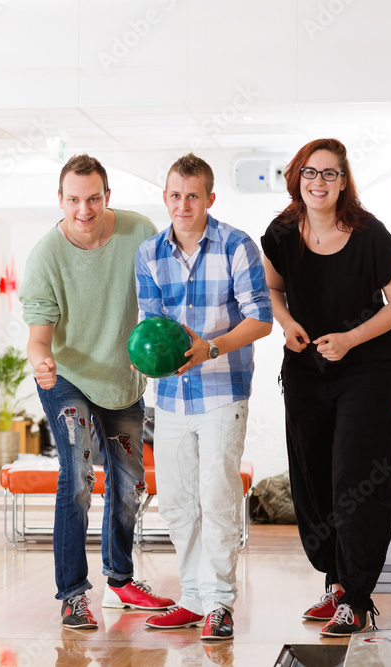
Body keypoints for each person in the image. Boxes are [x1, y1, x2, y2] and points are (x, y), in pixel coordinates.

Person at [261, 138, 391, 637]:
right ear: (296, 178)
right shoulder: (282, 233)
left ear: (344, 181)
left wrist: (350, 338)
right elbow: (271, 290)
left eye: (330, 173)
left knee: (357, 476)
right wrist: (285, 324)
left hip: (367, 368)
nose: (319, 182)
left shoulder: (369, 233)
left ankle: (358, 594)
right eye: (310, 172)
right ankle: (337, 585)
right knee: (315, 478)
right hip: (306, 369)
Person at [20, 154, 175, 631]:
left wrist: (152, 344)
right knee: (79, 475)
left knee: (130, 486)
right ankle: (72, 593)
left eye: (92, 198)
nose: (83, 209)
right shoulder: (46, 255)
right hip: (67, 377)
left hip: (123, 379)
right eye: (73, 199)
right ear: (60, 200)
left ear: (107, 196)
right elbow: (38, 339)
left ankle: (121, 578)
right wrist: (40, 362)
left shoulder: (139, 232)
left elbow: (162, 298)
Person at [135, 154, 272, 641]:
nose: (183, 204)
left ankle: (219, 603)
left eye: (193, 195)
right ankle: (192, 598)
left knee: (216, 496)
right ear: (165, 197)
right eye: (175, 194)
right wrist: (145, 355)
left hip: (222, 391)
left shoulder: (237, 246)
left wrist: (210, 346)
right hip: (170, 395)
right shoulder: (149, 254)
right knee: (175, 501)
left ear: (210, 198)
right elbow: (151, 327)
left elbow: (260, 319)